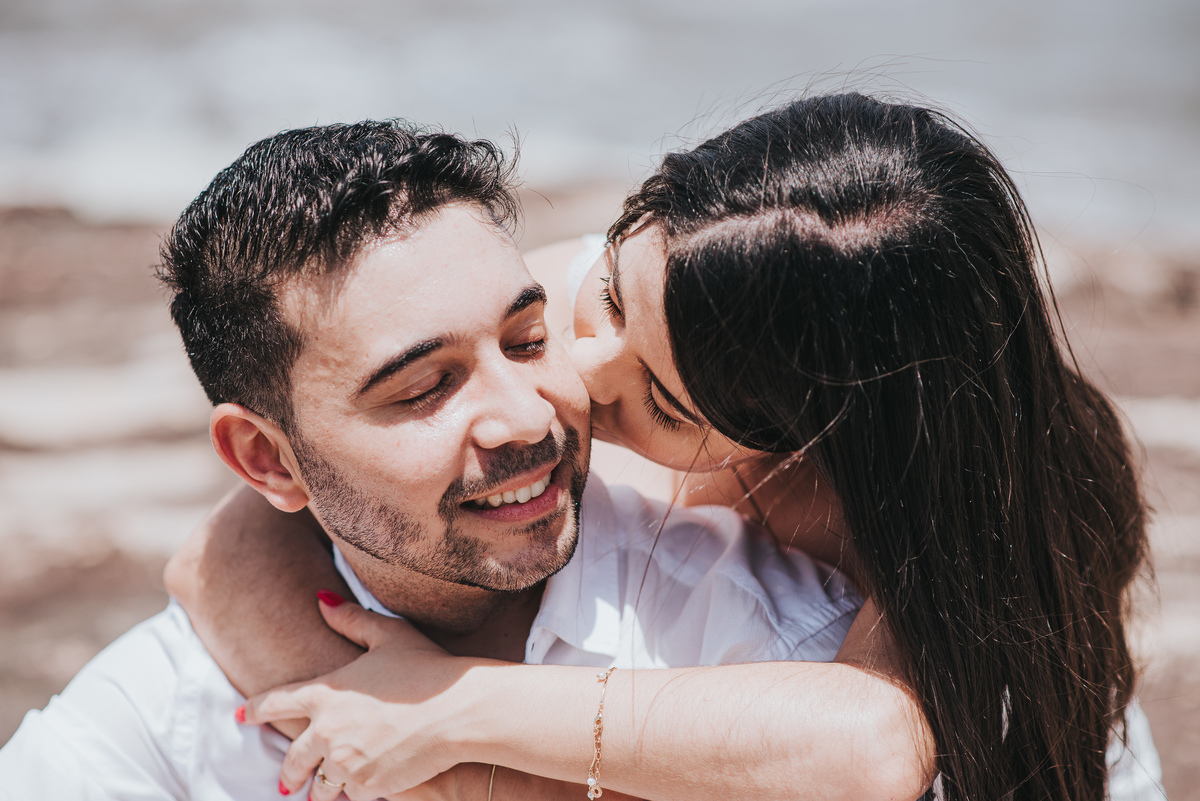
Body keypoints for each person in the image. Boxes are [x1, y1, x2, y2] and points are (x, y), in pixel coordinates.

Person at [171, 94, 1164, 801]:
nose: (574, 374)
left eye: (662, 401)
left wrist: (448, 713)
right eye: (600, 298)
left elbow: (868, 748)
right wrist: (346, 697)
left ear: (802, 445)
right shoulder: (671, 278)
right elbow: (228, 547)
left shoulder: (933, 509)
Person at [0, 120, 900, 800]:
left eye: (528, 338)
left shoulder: (762, 642)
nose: (528, 416)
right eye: (426, 386)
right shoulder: (140, 733)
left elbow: (877, 744)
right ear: (267, 460)